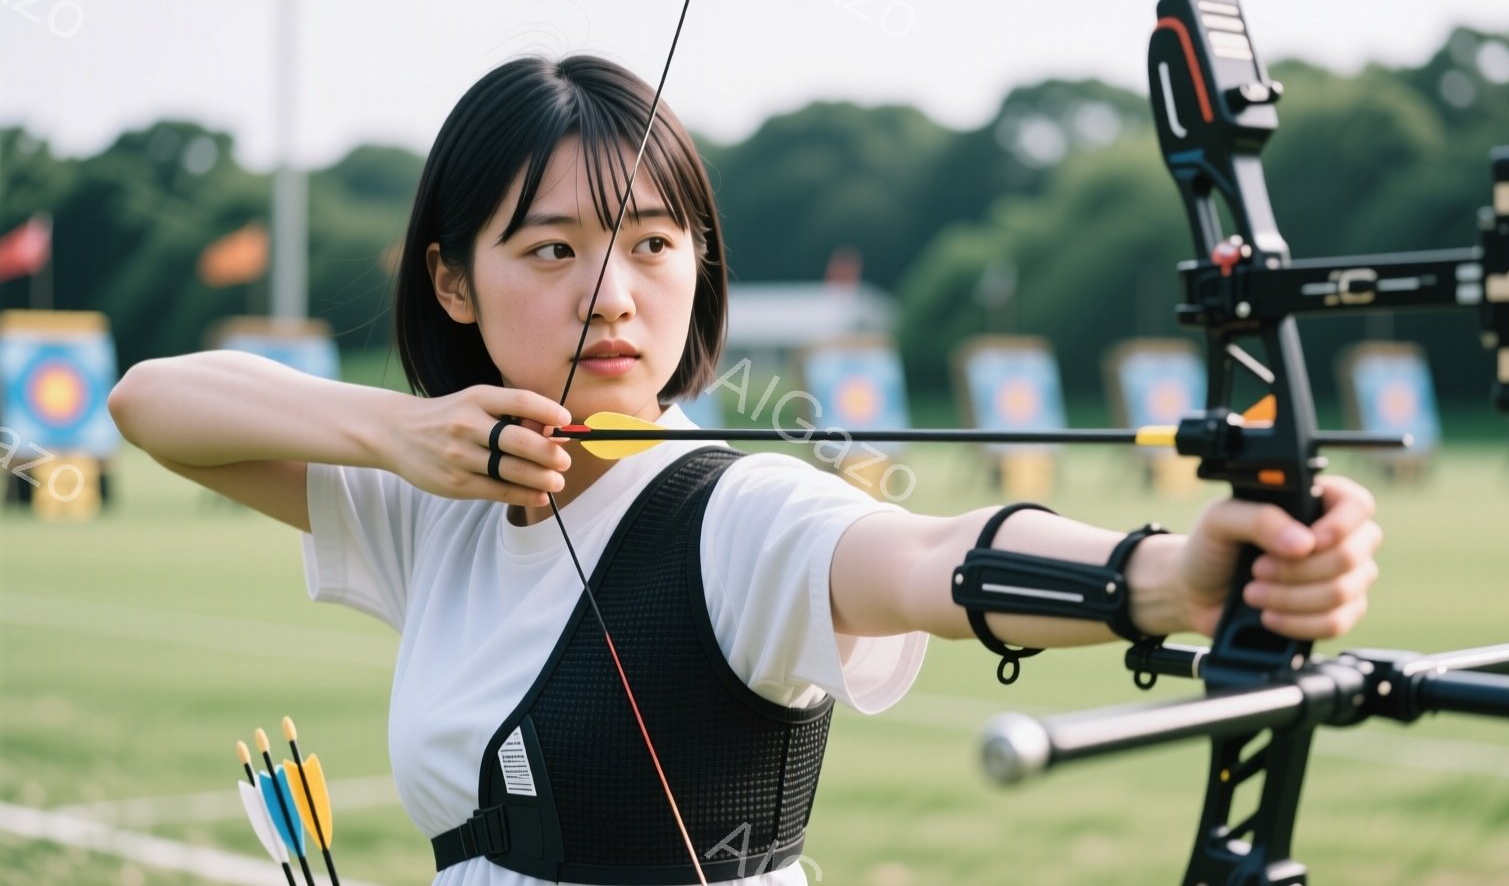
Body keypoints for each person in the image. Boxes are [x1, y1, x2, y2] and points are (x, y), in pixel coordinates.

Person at [109, 54, 1383, 886]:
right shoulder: (433, 499)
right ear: (451, 280)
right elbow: (151, 402)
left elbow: (928, 556)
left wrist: (1164, 578)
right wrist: (395, 432)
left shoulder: (737, 515)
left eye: (652, 243)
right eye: (550, 250)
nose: (611, 294)